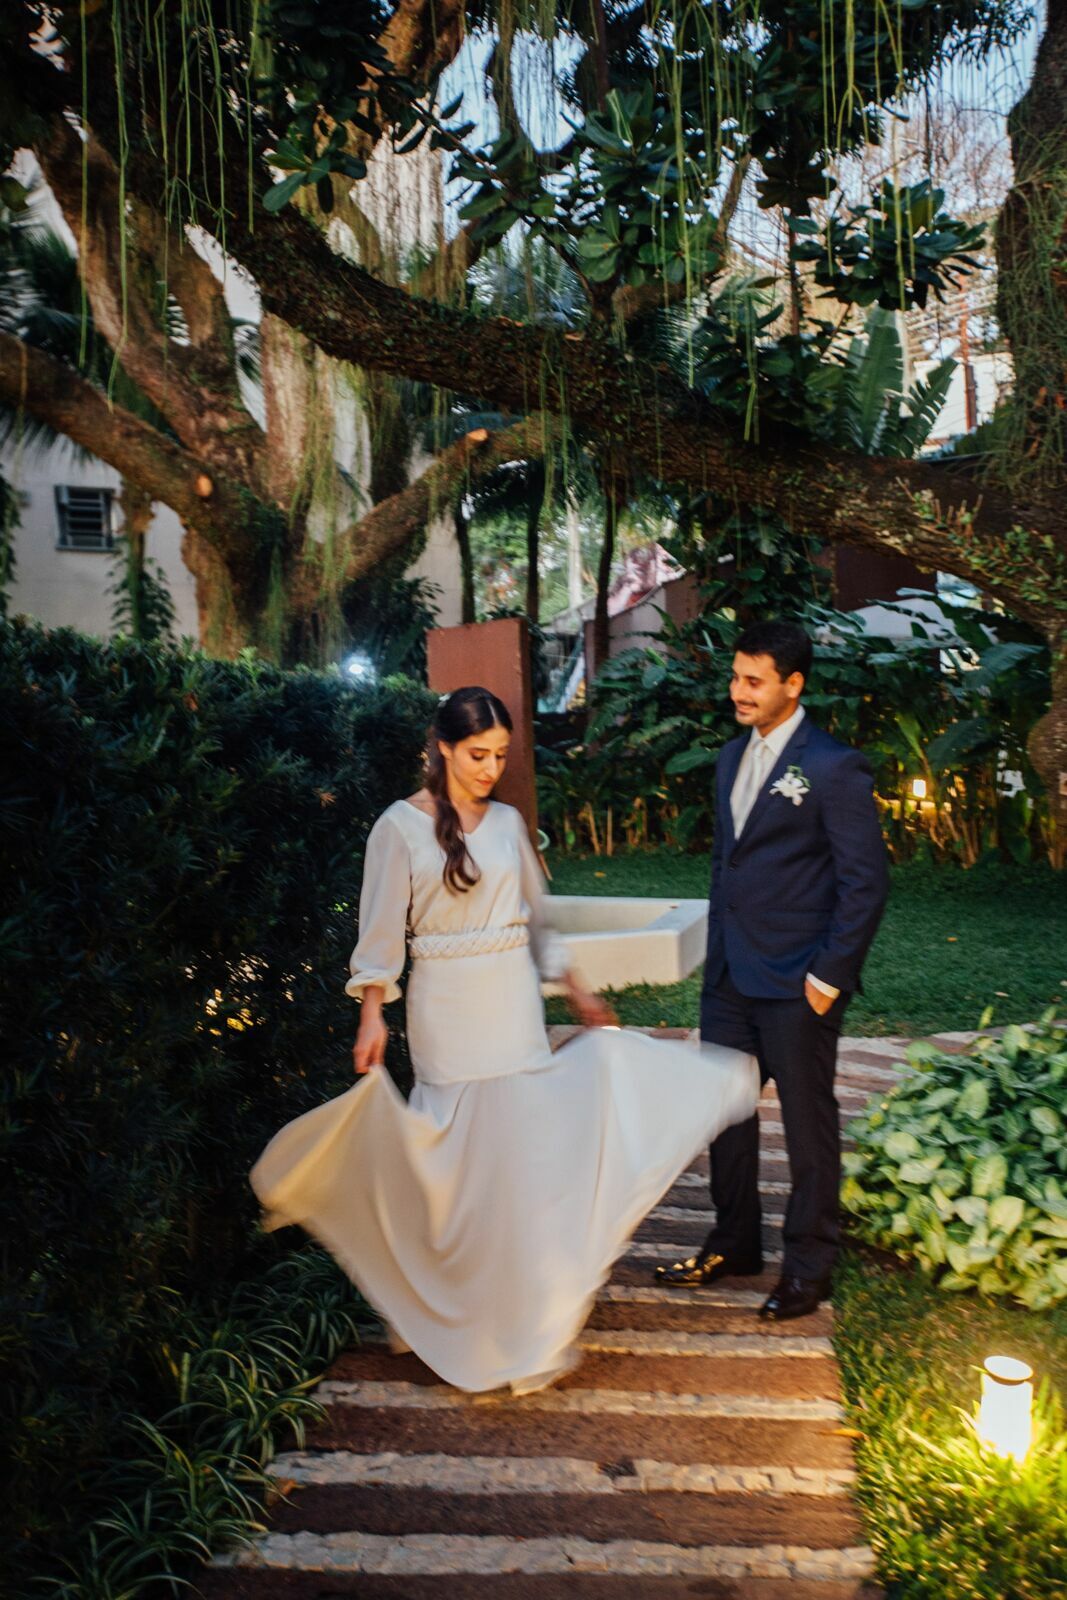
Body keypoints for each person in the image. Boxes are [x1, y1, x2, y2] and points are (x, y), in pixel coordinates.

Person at [251, 686, 758, 1394]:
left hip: (512, 1007)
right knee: (453, 1167)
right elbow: (379, 934)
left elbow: (538, 921)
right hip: (446, 1011)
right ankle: (444, 1302)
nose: (491, 769)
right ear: (443, 748)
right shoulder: (398, 828)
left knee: (521, 1158)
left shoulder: (509, 822)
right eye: (477, 755)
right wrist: (371, 1014)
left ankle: (524, 1312)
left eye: (499, 756)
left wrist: (578, 990)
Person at [656, 620, 889, 1321]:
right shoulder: (731, 757)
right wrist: (716, 957)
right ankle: (734, 1243)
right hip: (730, 977)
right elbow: (727, 863)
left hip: (797, 983)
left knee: (806, 1126)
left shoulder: (833, 766)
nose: (739, 691)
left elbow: (865, 883)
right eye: (735, 677)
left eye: (753, 681)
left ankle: (809, 1267)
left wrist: (828, 977)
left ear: (794, 684)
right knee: (725, 1114)